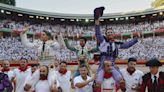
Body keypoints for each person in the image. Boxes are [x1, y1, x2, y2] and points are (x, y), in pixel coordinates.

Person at [94, 6, 139, 83]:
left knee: (121, 81)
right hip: (102, 66)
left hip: (112, 65)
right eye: (108, 33)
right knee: (98, 82)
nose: (110, 33)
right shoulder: (102, 41)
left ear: (113, 34)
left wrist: (136, 39)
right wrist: (97, 20)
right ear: (106, 34)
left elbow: (127, 45)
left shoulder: (116, 44)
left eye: (111, 32)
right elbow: (98, 32)